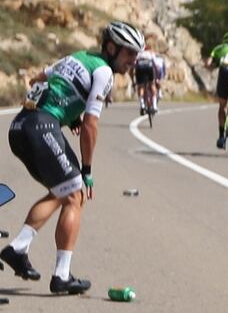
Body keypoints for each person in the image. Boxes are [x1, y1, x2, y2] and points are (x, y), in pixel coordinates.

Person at [2, 21, 144, 294]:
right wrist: (87, 169)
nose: (133, 61)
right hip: (42, 127)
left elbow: (38, 79)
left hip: (21, 127)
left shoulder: (78, 57)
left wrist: (69, 113)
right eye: (129, 54)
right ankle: (53, 270)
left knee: (63, 192)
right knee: (75, 192)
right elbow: (91, 125)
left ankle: (21, 250)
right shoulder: (103, 72)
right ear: (112, 48)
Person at [134, 45, 159, 115]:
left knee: (141, 87)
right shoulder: (151, 53)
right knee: (152, 85)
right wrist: (156, 78)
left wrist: (135, 79)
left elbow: (134, 64)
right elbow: (156, 65)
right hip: (149, 67)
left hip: (140, 68)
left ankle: (142, 105)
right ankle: (154, 106)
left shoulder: (139, 53)